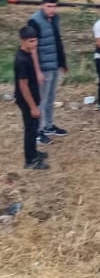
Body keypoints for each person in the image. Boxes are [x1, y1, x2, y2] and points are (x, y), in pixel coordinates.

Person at [27, 0, 69, 144]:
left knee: (51, 98)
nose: (52, 9)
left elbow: (57, 40)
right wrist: (37, 71)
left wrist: (62, 62)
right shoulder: (34, 21)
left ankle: (49, 126)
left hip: (54, 64)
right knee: (41, 100)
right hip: (43, 67)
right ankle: (37, 131)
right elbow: (32, 48)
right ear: (42, 5)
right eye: (49, 6)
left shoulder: (55, 19)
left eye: (54, 6)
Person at [14, 26, 49, 170]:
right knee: (30, 129)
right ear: (23, 41)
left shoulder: (27, 53)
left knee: (34, 128)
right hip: (27, 100)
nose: (35, 44)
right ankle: (30, 160)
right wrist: (33, 107)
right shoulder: (21, 60)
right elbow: (23, 85)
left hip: (33, 97)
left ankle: (33, 152)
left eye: (36, 41)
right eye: (31, 41)